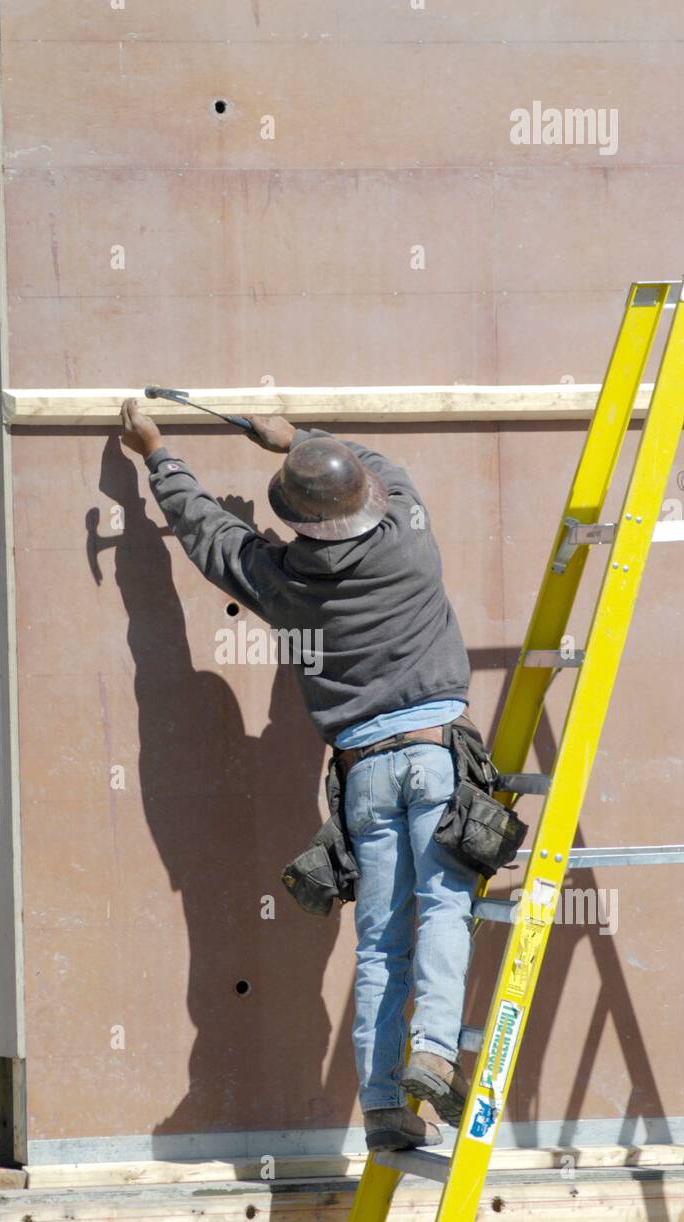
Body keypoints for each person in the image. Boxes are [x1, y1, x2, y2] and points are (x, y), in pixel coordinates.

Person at [118, 399, 479, 1151]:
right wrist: (296, 440)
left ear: (302, 523)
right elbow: (379, 469)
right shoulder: (411, 530)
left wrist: (157, 454)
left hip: (366, 773)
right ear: (365, 505)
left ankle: (383, 1106)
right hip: (435, 753)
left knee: (380, 941)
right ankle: (435, 1054)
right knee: (443, 907)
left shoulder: (284, 583)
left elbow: (209, 536)